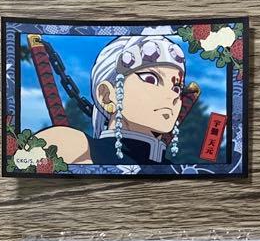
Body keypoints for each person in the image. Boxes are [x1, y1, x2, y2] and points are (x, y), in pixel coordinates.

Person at [34, 33, 188, 166]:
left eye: (177, 87)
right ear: (107, 95)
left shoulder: (174, 169)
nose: (173, 96)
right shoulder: (73, 147)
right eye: (150, 79)